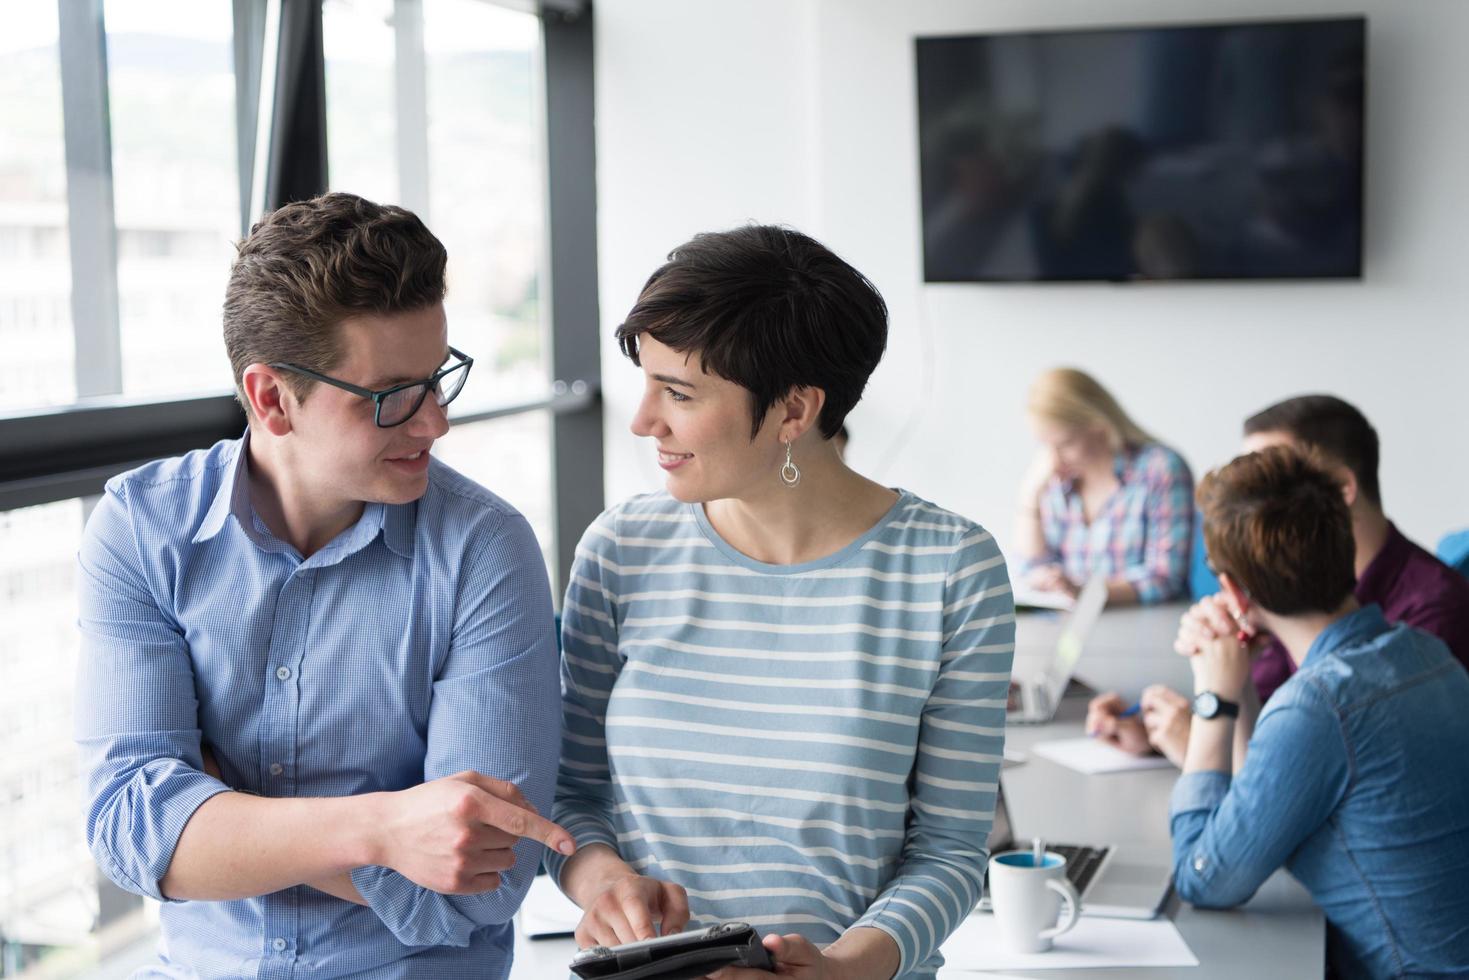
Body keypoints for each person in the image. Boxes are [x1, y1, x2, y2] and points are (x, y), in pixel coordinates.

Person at [75, 192, 574, 978]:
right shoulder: (143, 531)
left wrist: (222, 817)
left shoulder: (485, 547)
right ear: (272, 398)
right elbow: (132, 834)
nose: (434, 423)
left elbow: (484, 884)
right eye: (391, 397)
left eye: (438, 378)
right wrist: (383, 829)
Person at [545, 225, 1015, 979]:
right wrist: (604, 885)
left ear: (794, 412)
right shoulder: (620, 549)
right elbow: (571, 793)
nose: (643, 421)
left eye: (678, 393)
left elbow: (950, 850)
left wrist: (840, 968)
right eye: (647, 383)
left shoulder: (950, 569)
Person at [1167, 445, 1469, 976]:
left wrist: (1214, 701)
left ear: (1235, 591)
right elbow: (1259, 809)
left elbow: (1203, 877)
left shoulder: (1319, 708)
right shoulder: (1426, 653)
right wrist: (1240, 682)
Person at [1089, 394, 1469, 765]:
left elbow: (1338, 768)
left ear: (1339, 488)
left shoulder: (1434, 610)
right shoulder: (1284, 590)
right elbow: (1264, 716)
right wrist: (1160, 729)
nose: (1250, 494)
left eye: (1271, 474)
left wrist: (1200, 744)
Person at [1014, 367, 1192, 605]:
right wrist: (1030, 494)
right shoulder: (1055, 479)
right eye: (1045, 446)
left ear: (1099, 427)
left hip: (1144, 628)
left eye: (1065, 443)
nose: (1053, 459)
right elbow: (1029, 568)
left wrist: (1087, 593)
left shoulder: (1160, 469)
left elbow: (1164, 577)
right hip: (1072, 631)